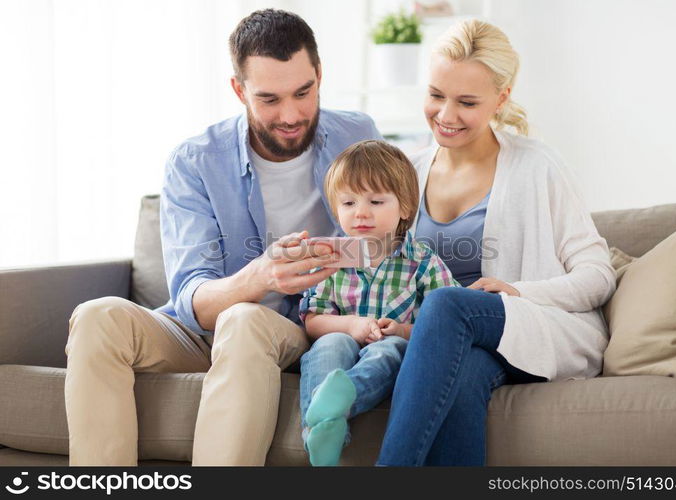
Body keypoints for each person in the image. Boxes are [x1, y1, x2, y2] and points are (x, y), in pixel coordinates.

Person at [63, 8, 383, 466]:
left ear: (319, 74)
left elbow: (392, 240)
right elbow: (194, 298)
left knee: (245, 320)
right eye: (268, 99)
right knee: (97, 316)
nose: (291, 114)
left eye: (303, 92)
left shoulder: (359, 136)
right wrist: (261, 275)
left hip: (299, 329)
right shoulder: (195, 161)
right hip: (204, 330)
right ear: (239, 89)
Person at [376, 19, 616, 466]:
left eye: (467, 102)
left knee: (447, 304)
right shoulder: (406, 171)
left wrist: (518, 291)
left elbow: (598, 277)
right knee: (464, 376)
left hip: (533, 326)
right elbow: (381, 261)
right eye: (435, 95)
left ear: (501, 98)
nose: (446, 116)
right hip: (455, 345)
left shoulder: (536, 165)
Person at [297, 140, 459, 466]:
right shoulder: (331, 259)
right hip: (341, 340)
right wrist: (351, 325)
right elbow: (312, 319)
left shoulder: (423, 262)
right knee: (330, 343)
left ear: (405, 208)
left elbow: (447, 326)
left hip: (389, 345)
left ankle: (338, 403)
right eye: (348, 202)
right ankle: (321, 431)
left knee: (387, 350)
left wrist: (400, 329)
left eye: (375, 201)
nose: (360, 212)